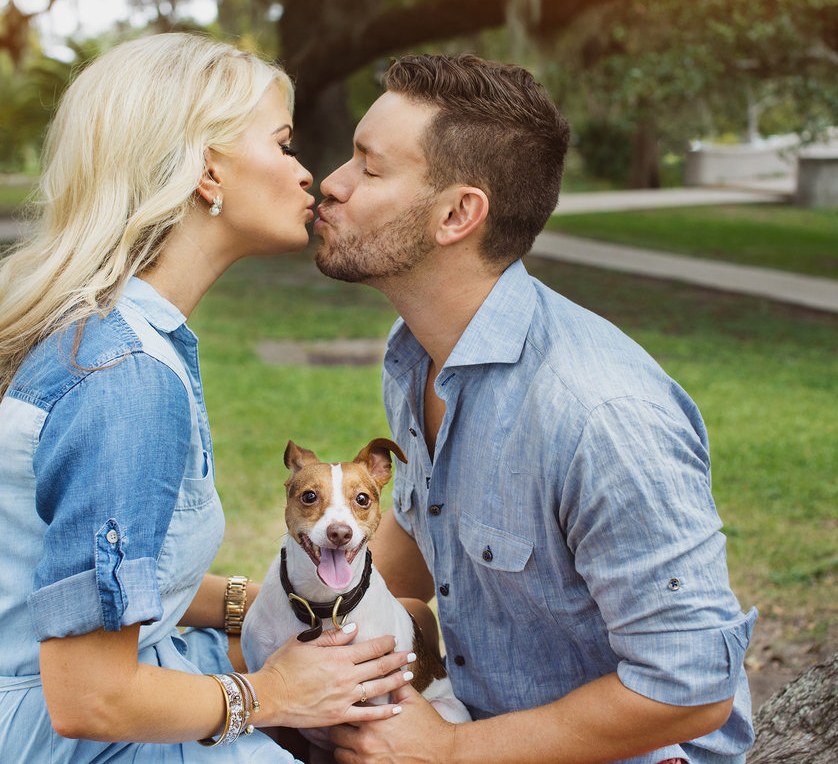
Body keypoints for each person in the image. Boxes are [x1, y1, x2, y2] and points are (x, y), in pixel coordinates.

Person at [0, 33, 414, 763]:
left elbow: (107, 577)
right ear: (207, 170)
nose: (309, 173)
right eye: (283, 144)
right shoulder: (126, 377)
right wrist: (275, 693)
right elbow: (88, 695)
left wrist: (270, 599)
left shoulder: (127, 336)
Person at [311, 54, 758, 764]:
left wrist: (452, 751)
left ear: (458, 213)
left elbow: (694, 685)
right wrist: (302, 624)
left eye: (369, 167)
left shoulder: (599, 412)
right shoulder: (415, 350)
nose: (330, 182)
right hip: (490, 714)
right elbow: (421, 524)